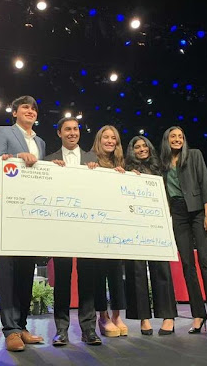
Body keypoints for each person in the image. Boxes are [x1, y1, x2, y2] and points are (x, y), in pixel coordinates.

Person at [0, 95, 46, 352]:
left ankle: (21, 325)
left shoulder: (40, 141)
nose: (30, 111)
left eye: (33, 108)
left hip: (31, 214)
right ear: (14, 112)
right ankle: (9, 329)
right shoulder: (2, 131)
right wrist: (16, 159)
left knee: (25, 272)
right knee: (8, 271)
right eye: (24, 107)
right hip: (6, 210)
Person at [159, 126, 207, 337]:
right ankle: (198, 315)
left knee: (205, 262)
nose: (177, 139)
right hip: (177, 213)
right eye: (173, 137)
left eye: (180, 136)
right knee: (187, 265)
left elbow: (205, 182)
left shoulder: (194, 155)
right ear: (166, 141)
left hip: (198, 211)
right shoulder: (163, 163)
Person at [45, 117, 102, 346]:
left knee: (88, 279)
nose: (72, 133)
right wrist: (51, 172)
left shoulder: (93, 159)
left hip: (87, 228)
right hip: (62, 229)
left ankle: (89, 329)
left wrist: (101, 173)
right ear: (59, 133)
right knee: (62, 280)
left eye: (75, 129)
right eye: (67, 129)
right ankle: (61, 330)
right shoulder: (49, 161)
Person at [124, 136, 177, 335]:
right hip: (134, 225)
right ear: (132, 151)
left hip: (158, 224)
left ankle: (168, 317)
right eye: (136, 147)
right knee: (136, 270)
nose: (141, 149)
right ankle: (143, 319)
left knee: (162, 270)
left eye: (144, 145)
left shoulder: (160, 168)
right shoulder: (127, 170)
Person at [91, 125, 128, 337]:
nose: (109, 141)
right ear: (99, 139)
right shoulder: (90, 159)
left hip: (117, 225)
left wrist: (130, 176)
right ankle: (102, 316)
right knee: (99, 272)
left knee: (116, 272)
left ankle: (116, 315)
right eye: (105, 137)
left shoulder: (121, 163)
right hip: (97, 224)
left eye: (113, 138)